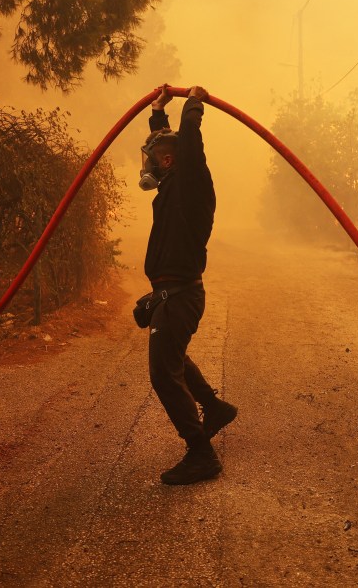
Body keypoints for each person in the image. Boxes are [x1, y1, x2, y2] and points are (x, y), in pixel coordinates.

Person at [138, 83, 238, 486]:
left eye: (153, 159)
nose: (147, 166)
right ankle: (213, 408)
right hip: (171, 293)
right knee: (172, 358)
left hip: (182, 295)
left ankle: (201, 454)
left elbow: (188, 149)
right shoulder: (173, 187)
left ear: (167, 160)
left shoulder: (193, 185)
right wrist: (158, 112)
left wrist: (193, 106)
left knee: (164, 373)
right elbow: (172, 147)